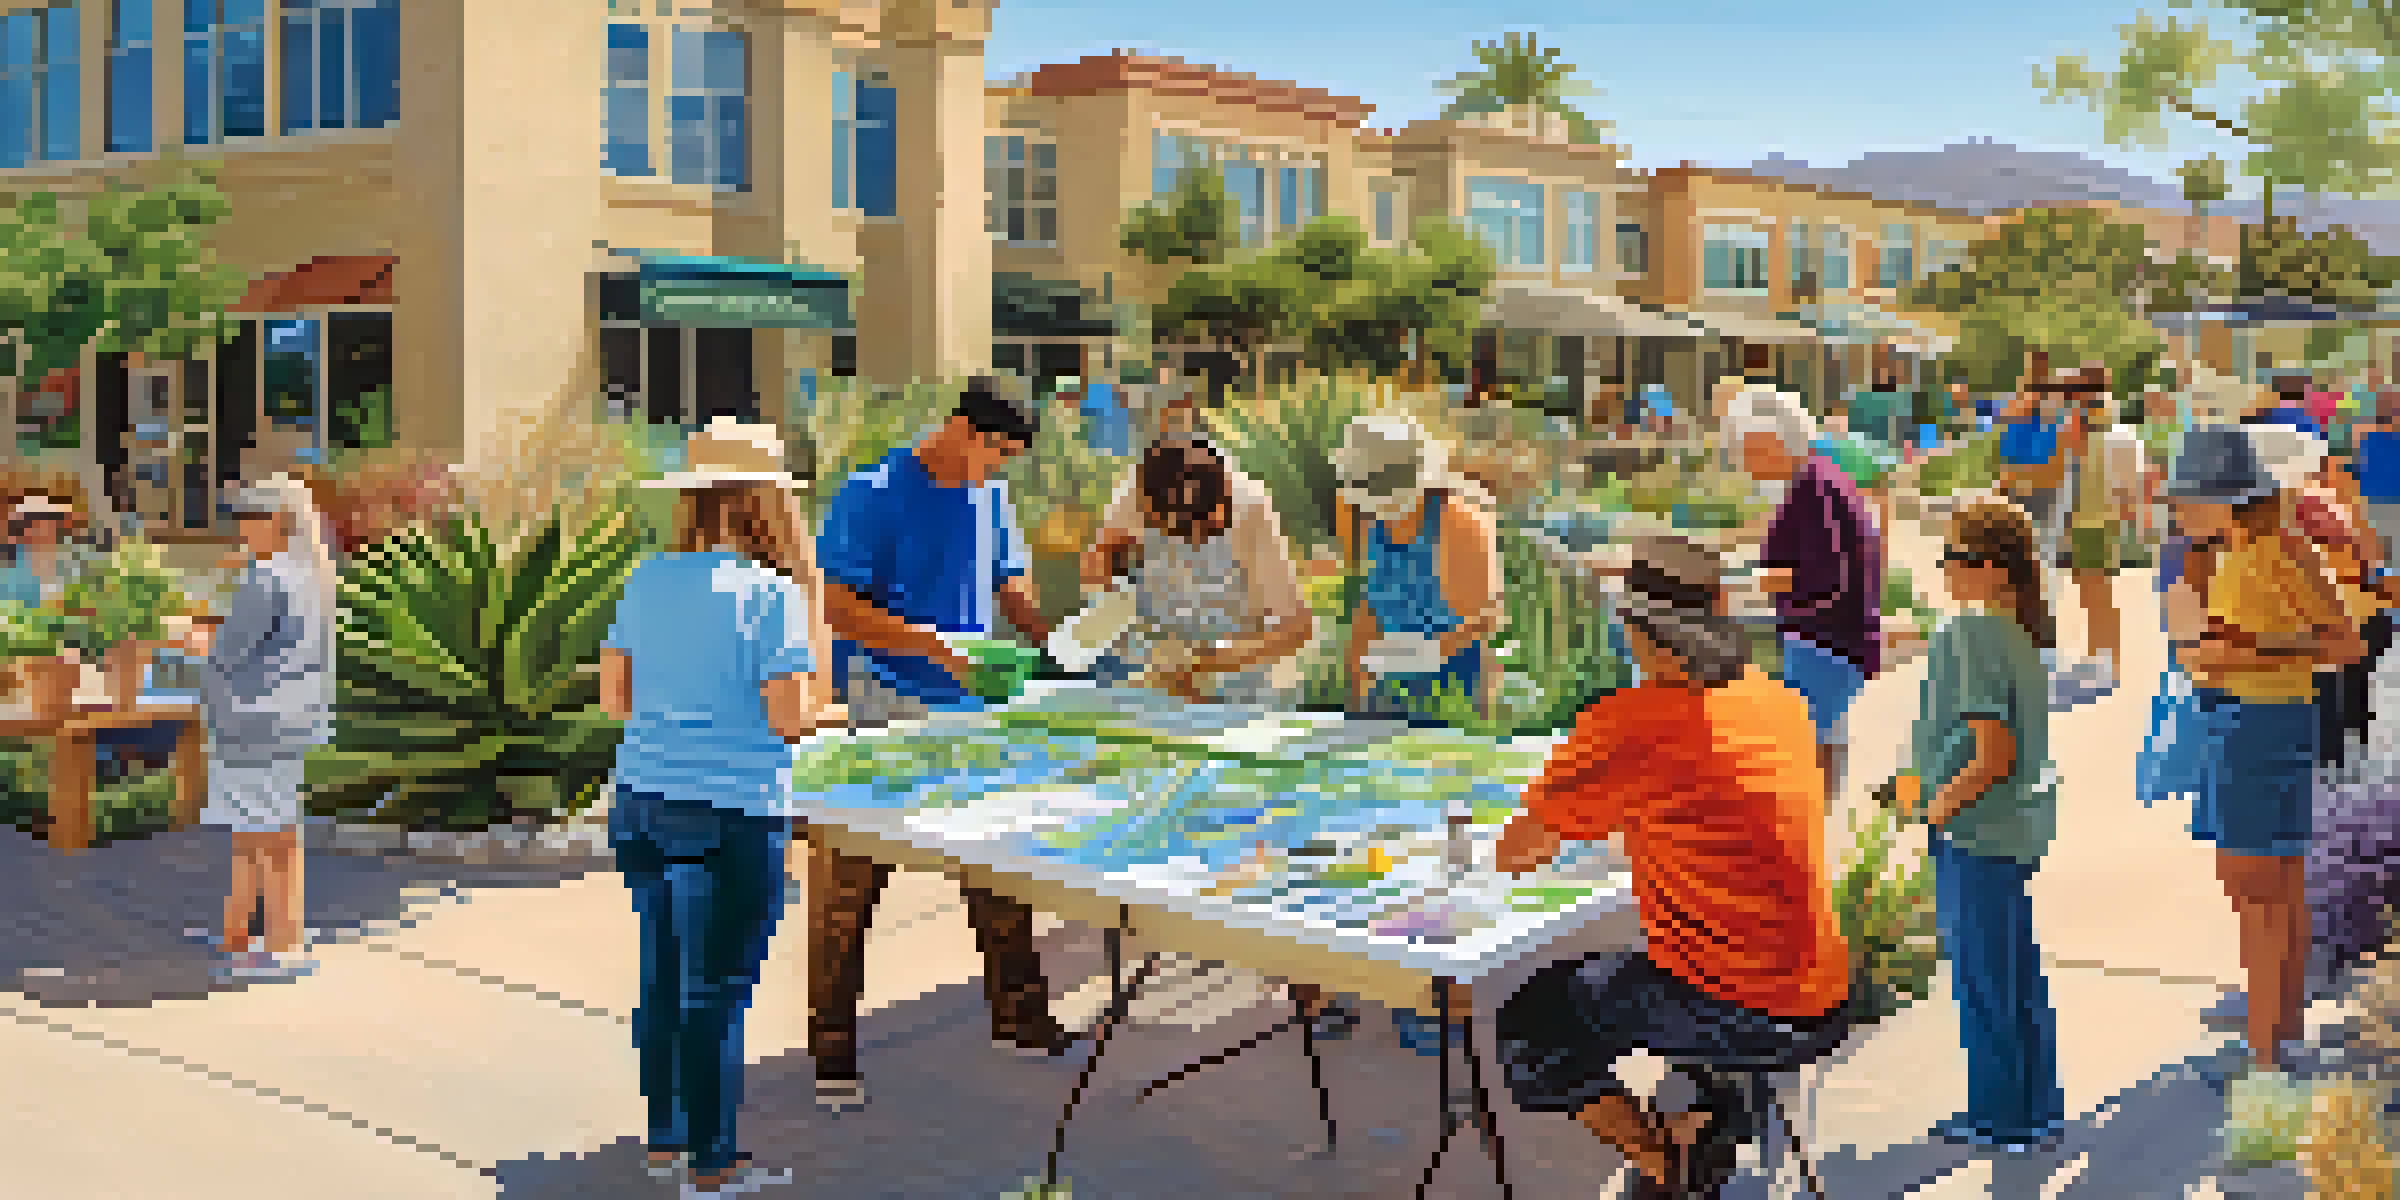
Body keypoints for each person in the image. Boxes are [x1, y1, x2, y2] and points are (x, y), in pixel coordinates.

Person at [1493, 535, 1858, 1200]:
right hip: (1826, 992)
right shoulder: (1778, 701)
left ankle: (1663, 1159)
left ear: (1636, 629)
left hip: (1738, 1006)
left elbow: (1518, 851)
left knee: (1534, 1015)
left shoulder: (1629, 722)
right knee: (1653, 968)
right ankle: (1708, 1120)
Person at [809, 377, 1076, 1112]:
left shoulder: (990, 494)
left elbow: (1008, 577)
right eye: (993, 452)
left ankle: (1018, 1016)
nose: (996, 470)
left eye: (1009, 459)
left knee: (998, 858)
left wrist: (1054, 642)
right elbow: (835, 606)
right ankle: (832, 1049)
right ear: (959, 428)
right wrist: (934, 646)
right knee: (852, 878)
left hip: (970, 705)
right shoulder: (871, 493)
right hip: (882, 703)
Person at [600, 419, 842, 1195]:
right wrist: (823, 711)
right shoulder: (773, 596)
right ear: (770, 504)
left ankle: (666, 1143)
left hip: (642, 799)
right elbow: (788, 718)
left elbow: (615, 700)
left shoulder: (646, 578)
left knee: (664, 977)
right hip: (730, 810)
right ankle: (714, 1164)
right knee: (717, 991)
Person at [2161, 427, 2365, 1076]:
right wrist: (2249, 647)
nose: (2178, 511)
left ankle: (2263, 1058)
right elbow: (2332, 642)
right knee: (2282, 890)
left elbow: (2333, 645)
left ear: (2226, 499)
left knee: (2254, 896)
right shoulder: (2277, 548)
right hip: (2282, 722)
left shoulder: (2258, 558)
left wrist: (2230, 654)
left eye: (2187, 499)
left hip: (2251, 726)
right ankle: (2282, 1037)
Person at [1894, 498, 2067, 1151]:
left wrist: (1932, 809)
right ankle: (2037, 1109)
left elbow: (1992, 754)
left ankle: (2001, 1120)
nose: (1943, 568)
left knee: (1982, 983)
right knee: (2016, 975)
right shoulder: (2018, 632)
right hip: (2010, 829)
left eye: (1955, 558)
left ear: (1994, 570)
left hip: (1975, 828)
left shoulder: (1967, 634)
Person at [186, 475, 337, 986]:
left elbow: (228, 654)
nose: (243, 526)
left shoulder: (268, 577)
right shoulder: (311, 576)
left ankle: (279, 945)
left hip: (251, 721)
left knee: (260, 837)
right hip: (290, 719)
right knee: (270, 831)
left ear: (281, 521)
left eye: (253, 516)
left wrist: (189, 639)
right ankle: (244, 938)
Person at [1728, 383, 1885, 806]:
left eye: (1747, 449)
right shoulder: (1815, 481)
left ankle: (1809, 830)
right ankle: (1816, 827)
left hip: (1827, 639)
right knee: (1823, 735)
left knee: (1810, 740)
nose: (1743, 462)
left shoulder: (1813, 490)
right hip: (1833, 637)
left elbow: (1821, 575)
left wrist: (1736, 583)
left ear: (1774, 442)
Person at [1078, 433, 1314, 706]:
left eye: (1209, 529)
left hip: (1240, 684)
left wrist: (1201, 663)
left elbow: (1296, 627)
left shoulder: (1250, 510)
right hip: (1154, 674)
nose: (1197, 541)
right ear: (1152, 512)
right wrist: (1112, 615)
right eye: (1187, 532)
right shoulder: (1139, 493)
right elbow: (1096, 568)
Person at [1334, 415, 1503, 727]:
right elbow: (1369, 610)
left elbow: (1487, 619)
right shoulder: (1368, 523)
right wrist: (1356, 700)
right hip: (1390, 688)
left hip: (1456, 692)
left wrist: (1427, 652)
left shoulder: (1459, 523)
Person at [2045, 363, 2151, 706]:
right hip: (2083, 519)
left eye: (2070, 390)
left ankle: (2109, 661)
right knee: (2088, 589)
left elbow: (2121, 475)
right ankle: (2097, 656)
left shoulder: (2098, 423)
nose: (2064, 397)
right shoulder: (2087, 422)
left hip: (2095, 520)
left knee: (2097, 589)